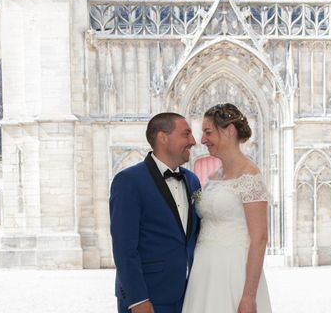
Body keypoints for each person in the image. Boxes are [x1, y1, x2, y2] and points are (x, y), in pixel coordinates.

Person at [181, 103, 272, 313]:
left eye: (208, 132)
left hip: (234, 271)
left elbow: (259, 238)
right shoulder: (213, 178)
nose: (202, 140)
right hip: (203, 271)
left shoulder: (250, 176)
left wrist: (249, 296)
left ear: (229, 131)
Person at [110, 112, 201, 313]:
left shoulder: (192, 181)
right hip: (148, 298)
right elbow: (124, 247)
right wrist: (137, 299)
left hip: (189, 296)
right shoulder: (128, 181)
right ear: (163, 137)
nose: (193, 141)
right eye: (186, 134)